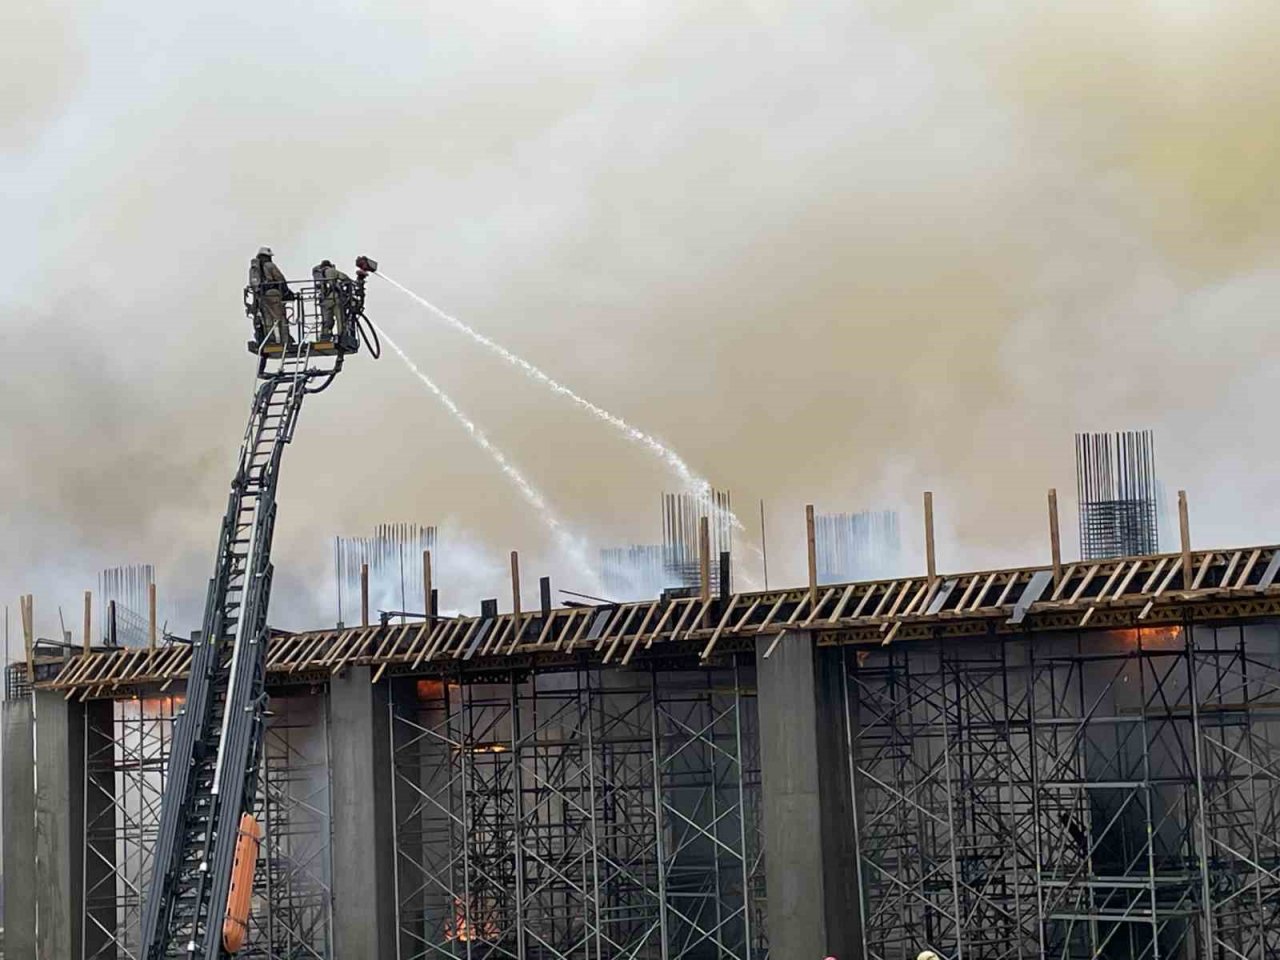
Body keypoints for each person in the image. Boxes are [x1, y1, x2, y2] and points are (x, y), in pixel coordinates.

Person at [249, 247, 295, 345]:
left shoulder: (254, 269)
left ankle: (270, 339)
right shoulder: (270, 265)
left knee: (267, 318)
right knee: (280, 317)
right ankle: (285, 339)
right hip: (273, 294)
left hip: (261, 296)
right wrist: (287, 292)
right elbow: (280, 278)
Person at [311, 259, 351, 342]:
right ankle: (342, 336)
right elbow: (345, 278)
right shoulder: (332, 271)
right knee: (340, 318)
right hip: (334, 298)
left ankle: (325, 336)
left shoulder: (317, 274)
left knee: (326, 321)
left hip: (324, 300)